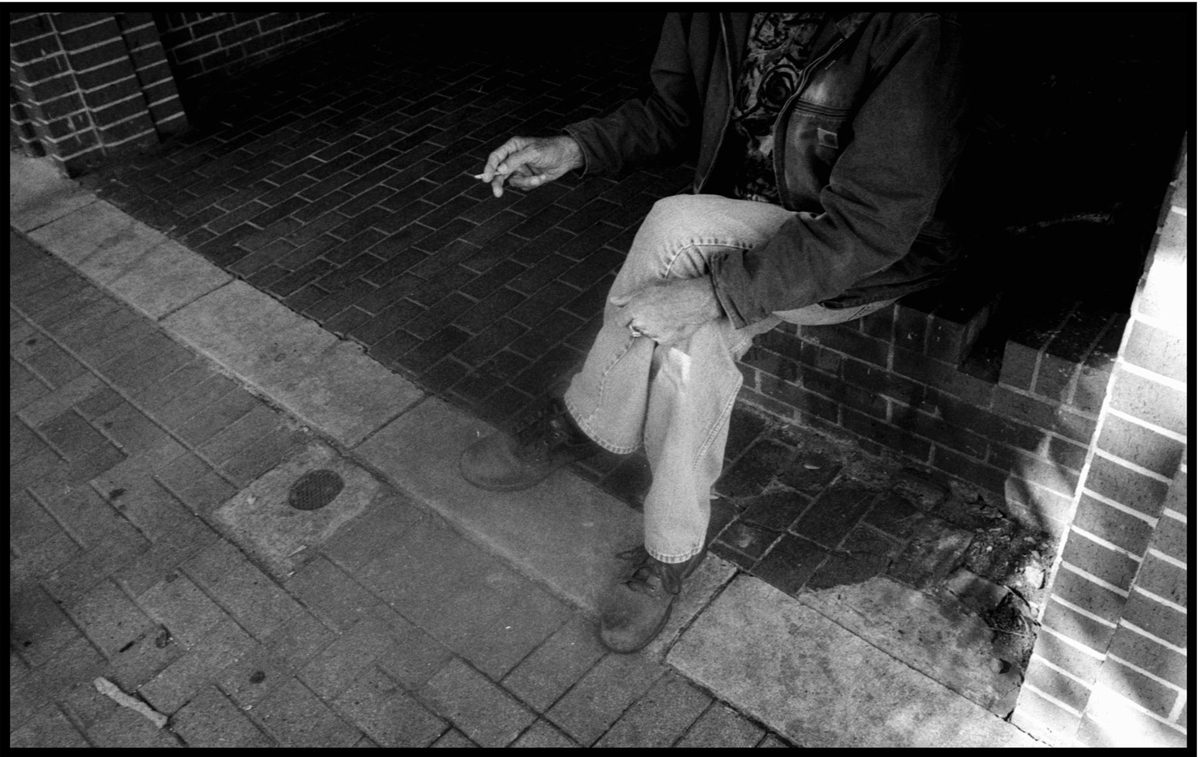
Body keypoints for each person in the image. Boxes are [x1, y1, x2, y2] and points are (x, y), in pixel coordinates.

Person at [459, 11, 969, 653]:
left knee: (679, 234)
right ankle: (672, 550)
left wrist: (715, 290)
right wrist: (576, 147)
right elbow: (673, 114)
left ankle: (585, 418)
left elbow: (873, 225)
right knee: (696, 327)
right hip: (737, 228)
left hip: (854, 254)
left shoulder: (914, 25)